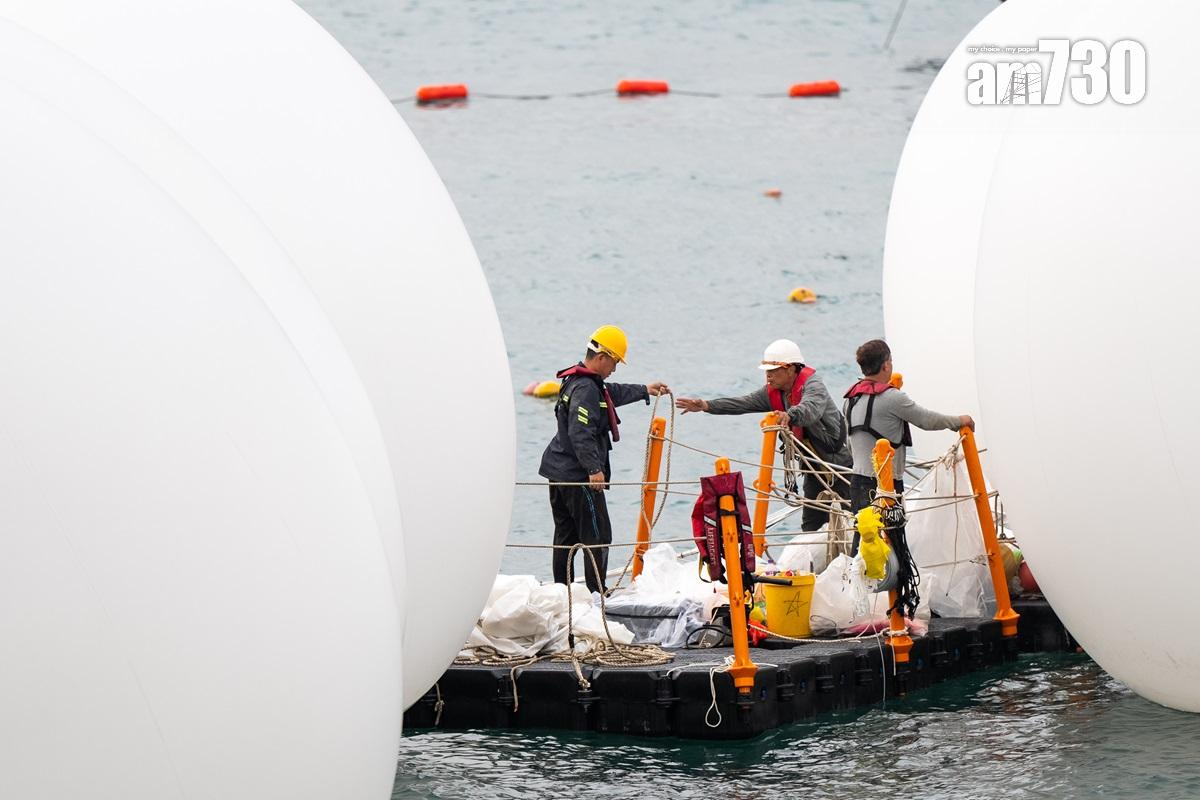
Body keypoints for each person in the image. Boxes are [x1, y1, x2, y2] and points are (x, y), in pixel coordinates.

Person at [538, 325, 670, 594]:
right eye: (615, 362)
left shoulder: (581, 382)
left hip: (557, 470)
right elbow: (580, 431)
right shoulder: (585, 388)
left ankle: (561, 593)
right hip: (578, 477)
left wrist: (644, 390)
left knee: (565, 535)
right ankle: (597, 593)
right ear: (602, 358)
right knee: (597, 536)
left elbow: (611, 393)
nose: (615, 368)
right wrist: (594, 469)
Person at [675, 338, 852, 532]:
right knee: (811, 526)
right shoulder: (774, 392)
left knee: (852, 520)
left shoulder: (814, 386)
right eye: (767, 371)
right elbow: (743, 403)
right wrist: (706, 406)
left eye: (773, 371)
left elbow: (810, 410)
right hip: (812, 469)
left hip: (840, 467)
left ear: (791, 369)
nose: (768, 376)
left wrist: (789, 415)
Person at [843, 338, 975, 524]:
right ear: (886, 365)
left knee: (864, 539)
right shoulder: (892, 398)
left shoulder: (850, 399)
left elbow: (850, 442)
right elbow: (926, 420)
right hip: (885, 486)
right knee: (894, 540)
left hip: (857, 481)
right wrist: (959, 421)